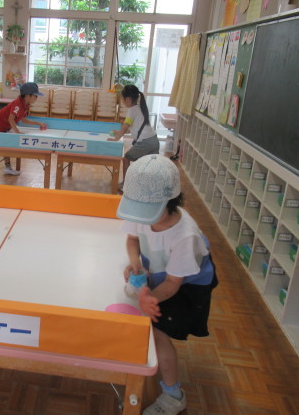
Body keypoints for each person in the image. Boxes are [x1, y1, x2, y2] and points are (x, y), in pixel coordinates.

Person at [116, 154, 218, 415]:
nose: (141, 218)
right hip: (164, 273)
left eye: (146, 212)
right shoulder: (143, 210)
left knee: (158, 333)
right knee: (147, 323)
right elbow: (133, 240)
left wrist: (150, 297)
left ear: (170, 202)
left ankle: (174, 396)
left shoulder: (185, 236)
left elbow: (173, 284)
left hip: (187, 286)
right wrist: (135, 263)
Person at [108, 84, 159, 188]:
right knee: (150, 165)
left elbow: (125, 126)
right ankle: (150, 186)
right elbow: (134, 128)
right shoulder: (140, 107)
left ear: (128, 99)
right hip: (154, 140)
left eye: (122, 99)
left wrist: (116, 139)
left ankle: (125, 185)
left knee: (126, 158)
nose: (122, 101)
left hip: (145, 142)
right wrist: (119, 132)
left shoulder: (132, 110)